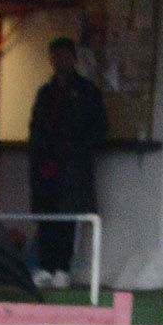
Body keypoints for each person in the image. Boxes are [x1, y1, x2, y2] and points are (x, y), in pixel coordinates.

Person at [28, 37, 107, 289]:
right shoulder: (45, 92)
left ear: (73, 59)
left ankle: (62, 268)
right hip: (45, 166)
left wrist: (77, 150)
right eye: (54, 57)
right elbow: (36, 126)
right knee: (45, 215)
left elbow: (100, 127)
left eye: (63, 56)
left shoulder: (87, 91)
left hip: (71, 167)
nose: (58, 62)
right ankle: (45, 267)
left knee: (66, 217)